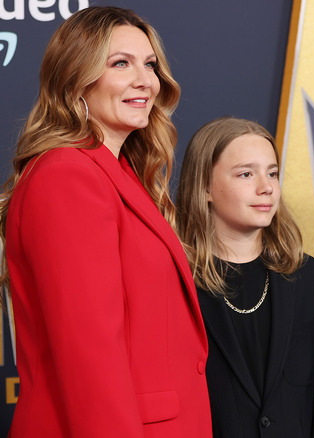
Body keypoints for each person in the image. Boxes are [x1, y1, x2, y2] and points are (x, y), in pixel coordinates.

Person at [0, 6, 212, 437]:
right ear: (76, 78)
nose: (146, 80)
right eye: (121, 63)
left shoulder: (119, 176)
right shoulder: (66, 175)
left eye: (150, 64)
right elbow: (89, 356)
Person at [176, 116, 314, 438]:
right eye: (246, 174)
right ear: (205, 187)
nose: (266, 187)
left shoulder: (306, 276)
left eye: (273, 173)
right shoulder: (176, 279)